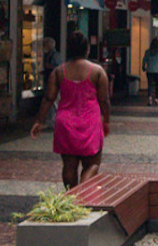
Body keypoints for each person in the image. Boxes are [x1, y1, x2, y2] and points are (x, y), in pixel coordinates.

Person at [30, 31, 110, 190]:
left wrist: (39, 121)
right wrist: (106, 119)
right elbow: (104, 100)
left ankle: (71, 197)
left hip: (65, 123)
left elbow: (48, 98)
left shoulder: (59, 72)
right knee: (93, 163)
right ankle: (82, 193)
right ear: (87, 49)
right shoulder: (98, 72)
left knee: (69, 165)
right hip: (90, 121)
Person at [142, 39, 158, 105]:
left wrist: (143, 67)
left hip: (149, 70)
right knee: (157, 85)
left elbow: (144, 60)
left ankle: (150, 98)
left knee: (150, 85)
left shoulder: (147, 52)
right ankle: (156, 99)